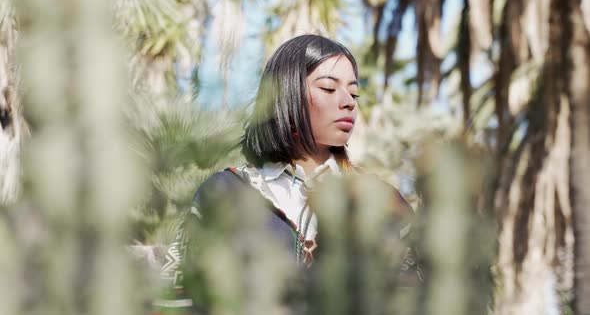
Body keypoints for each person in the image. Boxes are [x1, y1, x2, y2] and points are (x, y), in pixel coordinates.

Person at [153, 34, 421, 314]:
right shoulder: (224, 192)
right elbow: (177, 300)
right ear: (286, 93)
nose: (348, 102)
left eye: (354, 93)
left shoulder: (382, 202)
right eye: (329, 88)